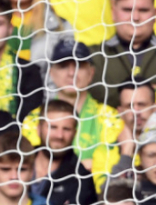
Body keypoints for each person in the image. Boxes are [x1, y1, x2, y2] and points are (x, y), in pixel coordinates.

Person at [22, 40, 126, 172]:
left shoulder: (111, 117)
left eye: (79, 66)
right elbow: (32, 165)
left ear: (91, 73)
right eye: (63, 66)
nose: (71, 73)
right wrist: (86, 165)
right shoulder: (34, 119)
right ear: (51, 72)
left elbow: (114, 166)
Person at [32, 99, 98, 205]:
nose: (59, 136)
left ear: (75, 133)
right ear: (39, 129)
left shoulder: (81, 179)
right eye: (53, 127)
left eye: (66, 129)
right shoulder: (15, 162)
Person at [89, 0, 156, 109]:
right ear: (113, 12)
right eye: (127, 10)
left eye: (143, 10)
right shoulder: (93, 56)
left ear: (155, 14)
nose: (135, 17)